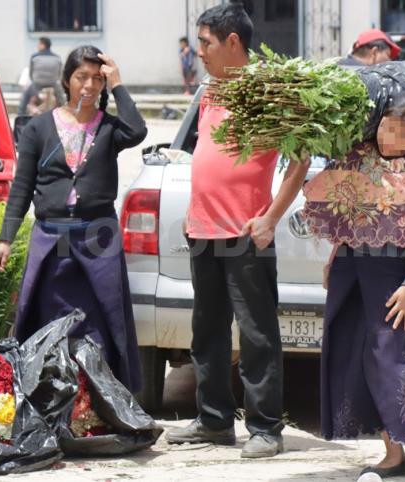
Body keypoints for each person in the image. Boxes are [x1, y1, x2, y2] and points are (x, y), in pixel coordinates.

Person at [165, 4, 311, 458]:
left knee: (257, 334)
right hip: (202, 230)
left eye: (205, 42)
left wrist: (270, 217)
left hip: (246, 234)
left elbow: (301, 159)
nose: (198, 51)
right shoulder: (209, 91)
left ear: (232, 43)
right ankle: (214, 422)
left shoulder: (267, 94)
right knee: (206, 333)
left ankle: (266, 428)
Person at [303, 92, 405, 478]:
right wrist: (334, 255)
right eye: (387, 126)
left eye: (402, 132)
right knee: (354, 356)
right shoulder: (360, 156)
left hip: (393, 278)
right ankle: (399, 442)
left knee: (389, 360)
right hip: (350, 268)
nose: (390, 137)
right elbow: (347, 211)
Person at [0, 45, 147, 393]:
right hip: (52, 238)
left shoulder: (110, 128)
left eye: (97, 79)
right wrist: (6, 238)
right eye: (81, 77)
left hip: (97, 238)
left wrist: (118, 83)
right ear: (66, 81)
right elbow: (22, 187)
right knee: (51, 317)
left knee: (101, 321)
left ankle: (101, 402)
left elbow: (137, 131)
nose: (89, 85)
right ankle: (51, 398)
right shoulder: (38, 128)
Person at [19, 37, 67, 116]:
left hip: (38, 84)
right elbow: (59, 74)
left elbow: (31, 73)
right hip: (53, 83)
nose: (37, 46)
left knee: (25, 95)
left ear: (43, 45)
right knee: (61, 97)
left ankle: (20, 115)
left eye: (39, 44)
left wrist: (34, 80)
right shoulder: (57, 57)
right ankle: (65, 112)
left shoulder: (34, 57)